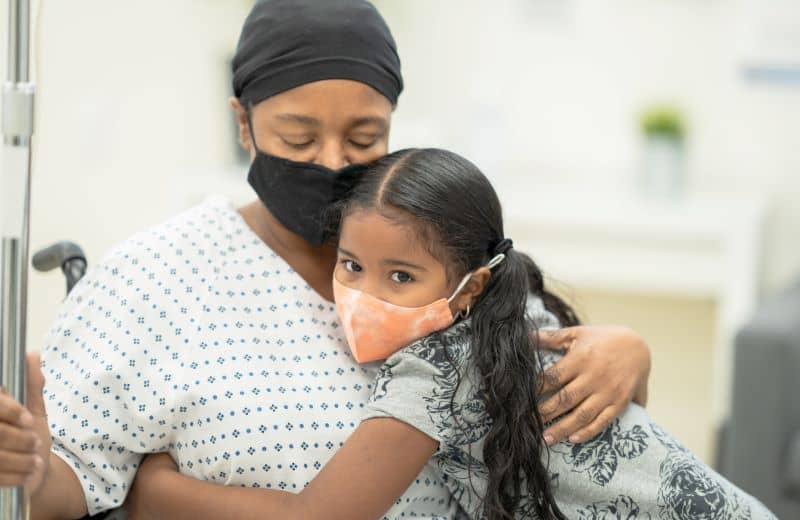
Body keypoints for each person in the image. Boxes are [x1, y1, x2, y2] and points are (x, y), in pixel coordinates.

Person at [0, 1, 651, 518]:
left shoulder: (441, 255)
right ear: (244, 124)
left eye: (365, 137)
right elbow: (63, 491)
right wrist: (30, 471)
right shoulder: (153, 281)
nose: (335, 161)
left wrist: (626, 356)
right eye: (298, 136)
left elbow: (580, 431)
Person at [126, 148, 776, 520]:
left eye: (401, 276)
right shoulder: (516, 315)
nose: (365, 296)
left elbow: (322, 517)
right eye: (350, 266)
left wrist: (155, 492)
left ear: (470, 286)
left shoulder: (435, 370)